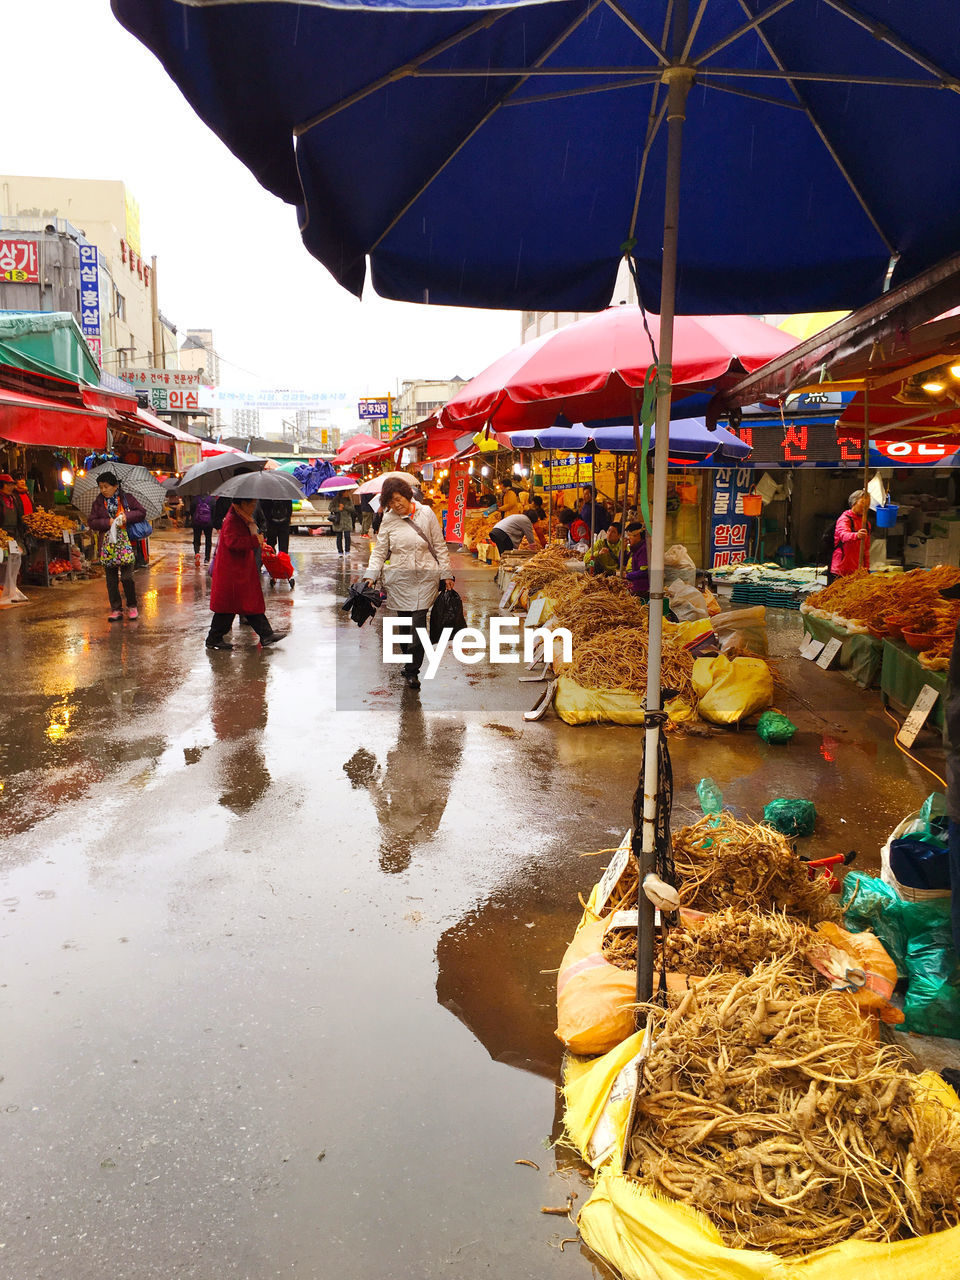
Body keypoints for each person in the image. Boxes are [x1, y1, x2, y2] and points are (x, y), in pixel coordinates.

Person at [362, 476, 454, 690]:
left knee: (418, 623)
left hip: (425, 578)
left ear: (407, 494)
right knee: (405, 625)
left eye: (398, 499)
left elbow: (439, 546)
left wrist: (446, 574)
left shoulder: (426, 514)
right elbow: (380, 551)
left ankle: (413, 670)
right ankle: (408, 660)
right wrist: (370, 575)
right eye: (391, 502)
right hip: (400, 580)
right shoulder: (388, 519)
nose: (396, 505)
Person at [206, 498, 283, 649]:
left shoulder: (241, 517)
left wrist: (258, 539)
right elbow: (232, 542)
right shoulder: (233, 520)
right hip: (232, 571)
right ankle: (213, 639)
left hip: (239, 570)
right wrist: (254, 541)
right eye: (252, 504)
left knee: (248, 604)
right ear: (243, 504)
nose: (254, 507)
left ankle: (266, 635)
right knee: (229, 608)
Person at [87, 471, 147, 621]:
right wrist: (107, 523)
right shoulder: (99, 502)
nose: (103, 490)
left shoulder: (127, 499)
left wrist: (127, 517)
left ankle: (132, 606)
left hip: (127, 543)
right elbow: (92, 521)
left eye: (106, 487)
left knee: (127, 577)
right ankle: (116, 609)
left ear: (115, 486)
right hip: (108, 545)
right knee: (111, 579)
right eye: (101, 487)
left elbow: (141, 512)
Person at [830, 488, 871, 580]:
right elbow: (843, 535)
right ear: (854, 503)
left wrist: (867, 568)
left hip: (858, 569)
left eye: (868, 505)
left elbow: (866, 548)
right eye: (863, 503)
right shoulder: (845, 518)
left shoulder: (866, 524)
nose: (865, 507)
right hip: (842, 568)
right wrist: (856, 535)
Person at [624, 520, 650, 596]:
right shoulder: (634, 548)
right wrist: (623, 550)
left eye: (630, 536)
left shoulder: (643, 549)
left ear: (637, 536)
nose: (628, 539)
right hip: (633, 585)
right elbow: (623, 562)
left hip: (641, 589)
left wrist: (627, 576)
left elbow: (645, 572)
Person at [190, 492, 216, 565]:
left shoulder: (195, 499)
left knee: (196, 538)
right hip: (208, 523)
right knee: (208, 540)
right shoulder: (212, 500)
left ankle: (197, 553)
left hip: (197, 523)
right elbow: (214, 512)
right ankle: (207, 559)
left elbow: (191, 511)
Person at [0, 474, 25, 545]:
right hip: (2, 535)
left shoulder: (14, 499)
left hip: (15, 534)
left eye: (12, 485)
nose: (10, 487)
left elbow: (20, 516)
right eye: (8, 485)